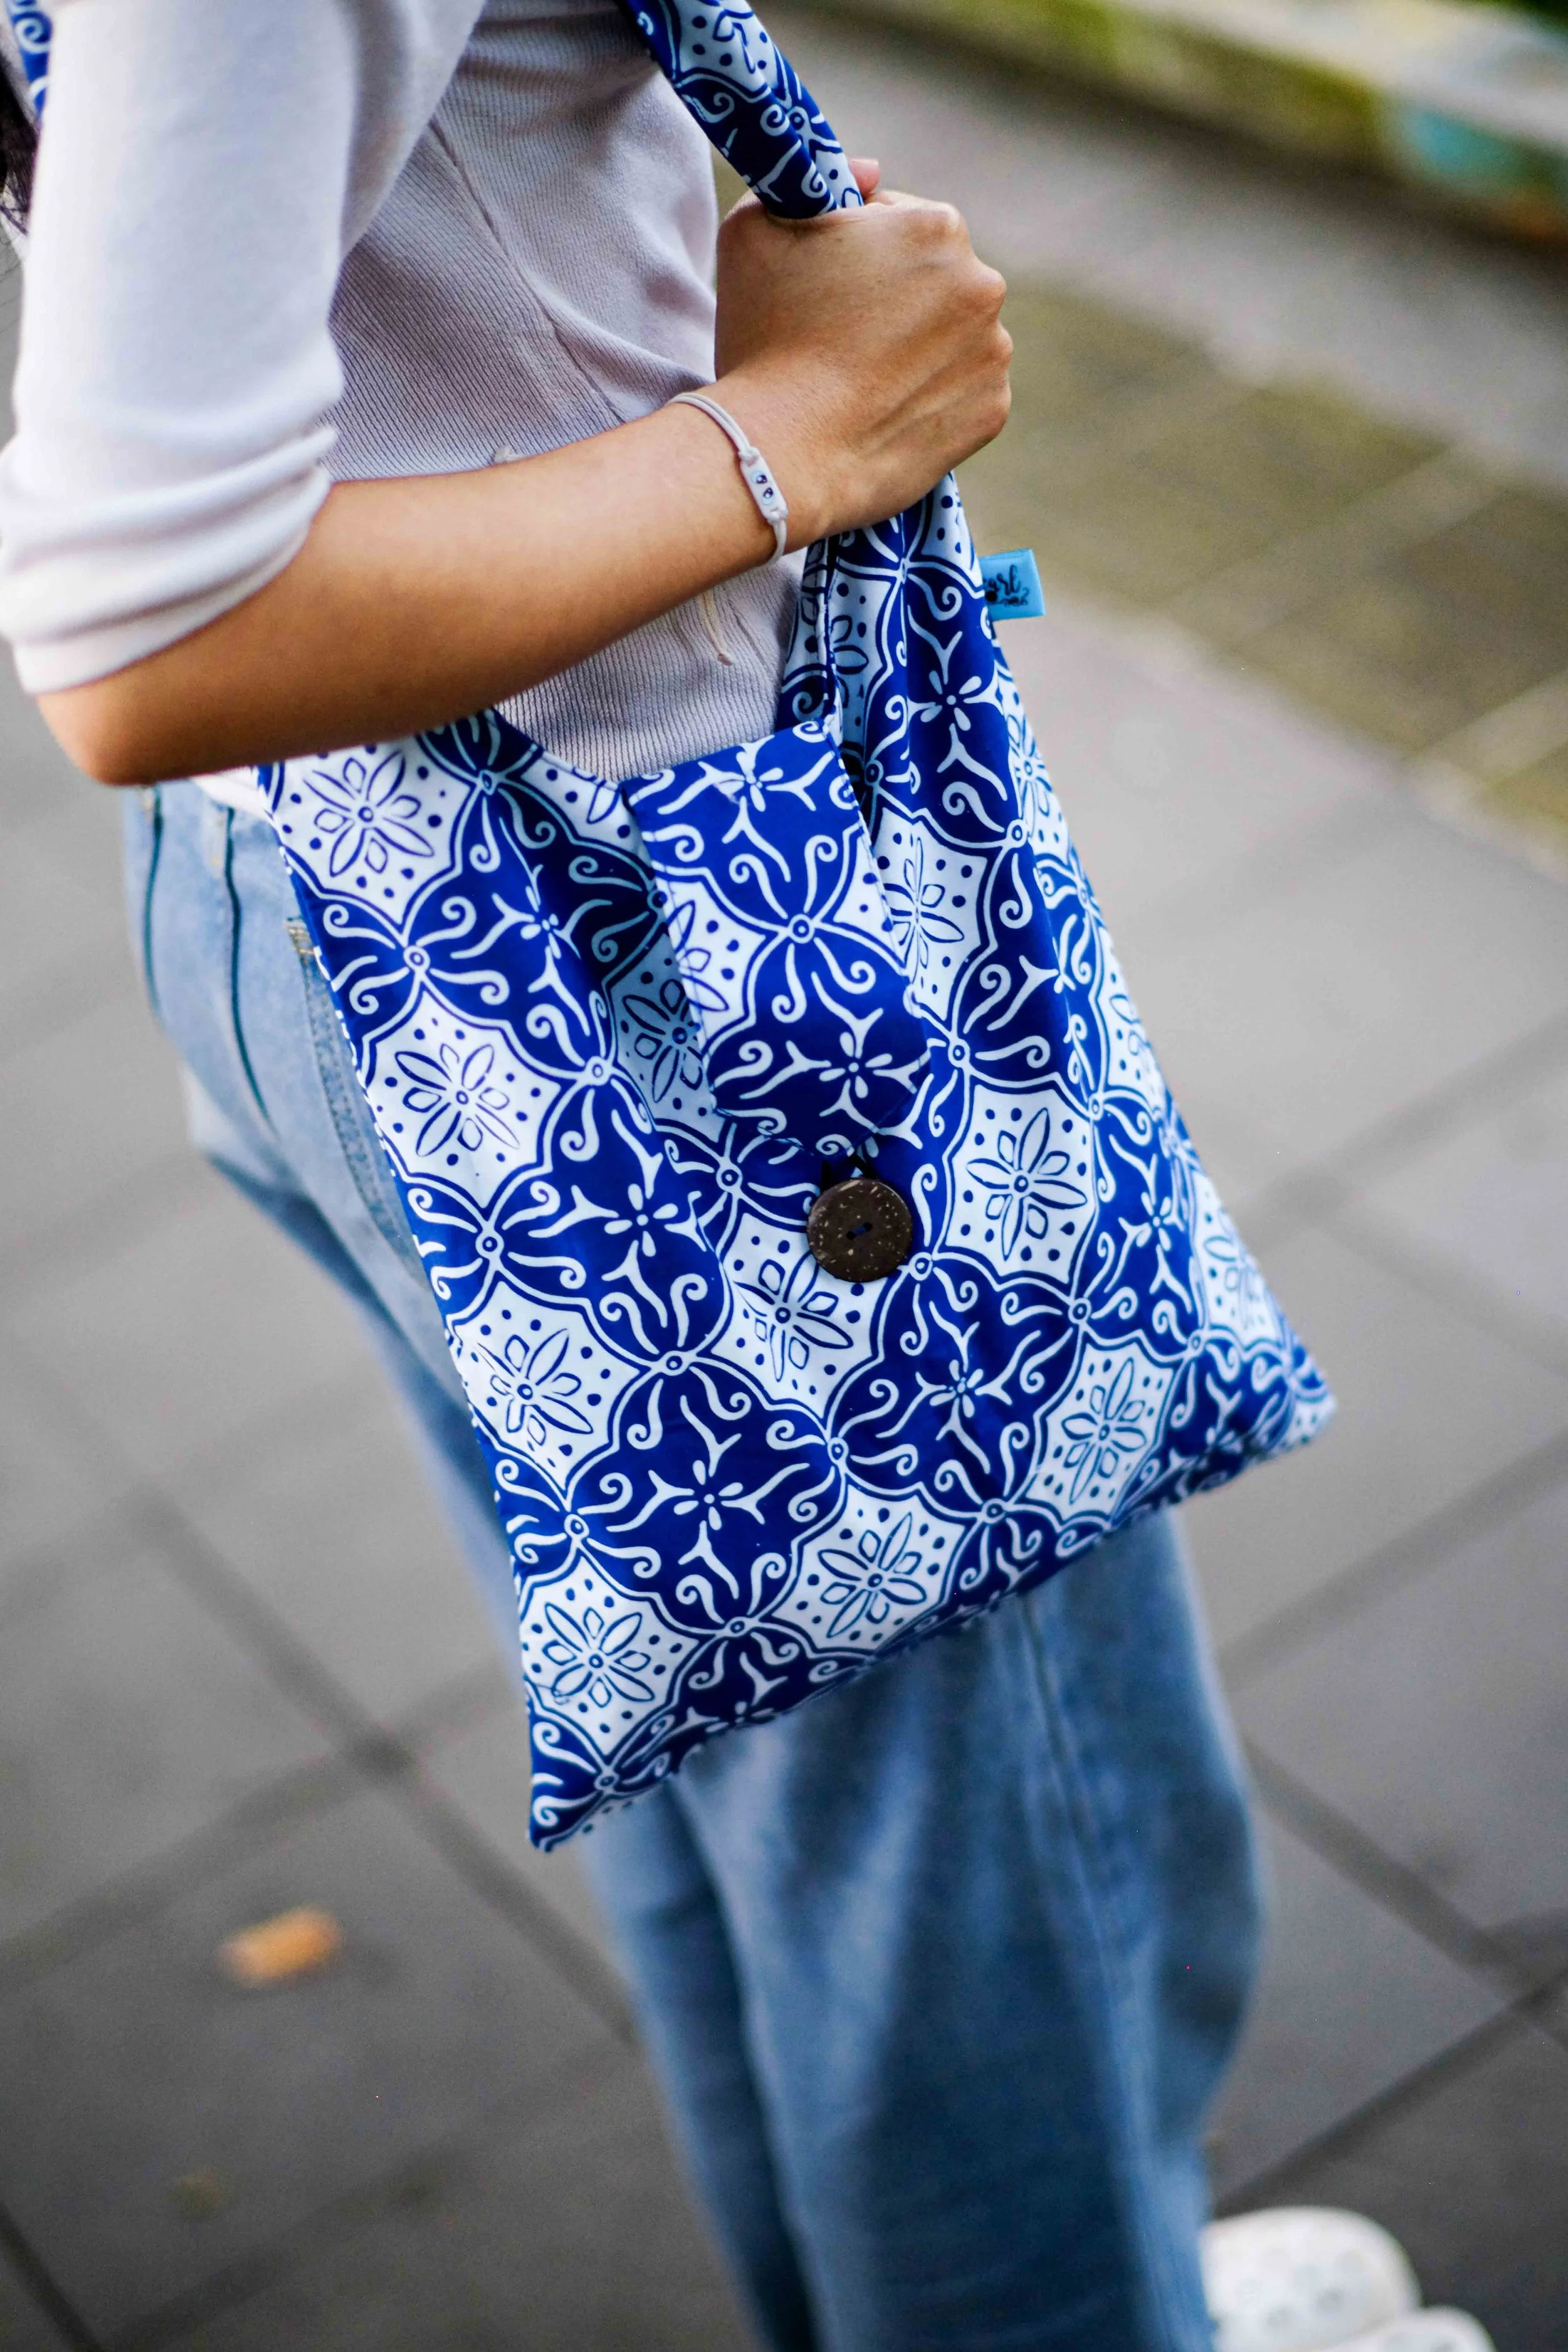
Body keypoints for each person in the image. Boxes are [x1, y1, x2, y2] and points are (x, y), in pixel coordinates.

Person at [0, 8, 1492, 2348]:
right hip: (659, 971)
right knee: (1010, 1887)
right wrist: (803, 427)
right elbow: (142, 625)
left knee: (771, 1818)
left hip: (344, 915)